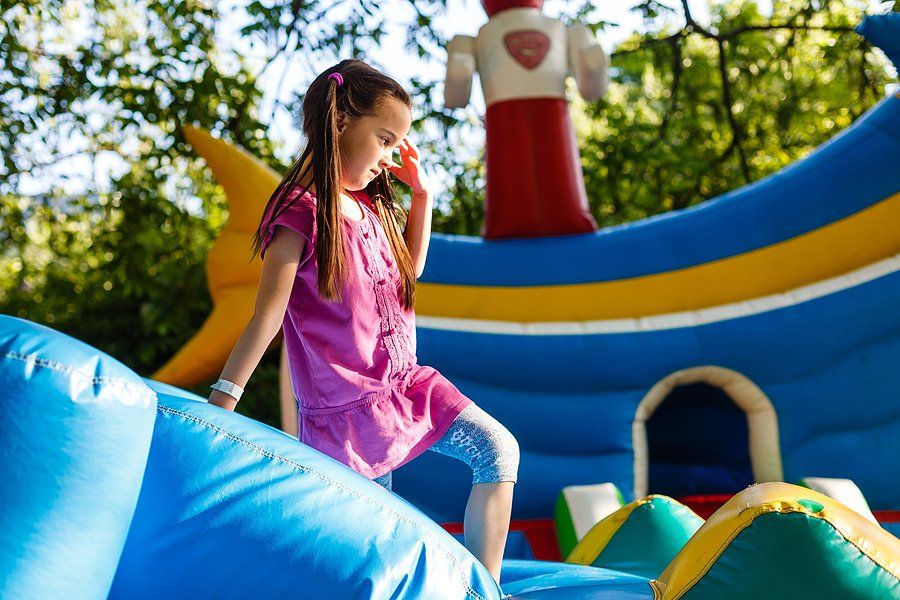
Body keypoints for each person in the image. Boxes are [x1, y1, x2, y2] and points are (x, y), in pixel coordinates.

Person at [207, 59, 519, 585]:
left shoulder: (369, 207)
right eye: (384, 138)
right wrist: (222, 406)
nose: (390, 157)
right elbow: (268, 315)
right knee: (378, 542)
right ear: (340, 123)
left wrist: (422, 196)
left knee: (497, 449)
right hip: (346, 410)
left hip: (404, 386)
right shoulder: (302, 209)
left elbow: (409, 271)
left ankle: (484, 591)